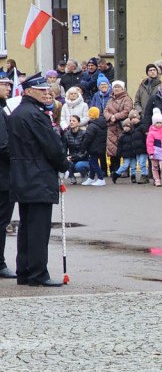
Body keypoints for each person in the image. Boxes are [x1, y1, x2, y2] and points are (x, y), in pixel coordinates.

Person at [7, 73, 69, 287]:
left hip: (24, 176)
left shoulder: (18, 113)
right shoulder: (35, 114)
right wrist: (64, 163)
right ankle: (37, 273)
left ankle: (25, 271)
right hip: (38, 176)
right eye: (41, 90)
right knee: (37, 229)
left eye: (47, 89)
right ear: (28, 91)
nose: (46, 92)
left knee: (27, 227)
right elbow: (51, 145)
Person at [0, 83, 15, 279]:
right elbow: (3, 145)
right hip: (3, 177)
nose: (8, 89)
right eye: (4, 85)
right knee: (2, 221)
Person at [104, 80, 133, 182]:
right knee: (112, 150)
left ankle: (125, 170)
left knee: (124, 149)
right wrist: (110, 117)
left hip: (122, 127)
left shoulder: (127, 99)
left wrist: (115, 116)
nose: (116, 88)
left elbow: (127, 111)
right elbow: (105, 110)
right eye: (115, 87)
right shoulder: (110, 100)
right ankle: (114, 170)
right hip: (112, 128)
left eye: (118, 87)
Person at [113, 110, 148, 183]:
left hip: (143, 149)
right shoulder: (133, 130)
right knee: (137, 163)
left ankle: (144, 175)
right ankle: (141, 176)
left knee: (141, 163)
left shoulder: (142, 127)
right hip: (135, 151)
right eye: (131, 119)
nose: (133, 120)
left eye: (134, 118)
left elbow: (146, 137)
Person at [62, 114, 91, 184]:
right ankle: (72, 178)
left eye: (74, 121)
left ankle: (84, 176)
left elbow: (86, 151)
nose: (71, 122)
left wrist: (74, 158)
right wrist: (66, 157)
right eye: (70, 121)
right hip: (72, 158)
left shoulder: (84, 134)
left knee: (79, 165)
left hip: (84, 160)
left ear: (78, 123)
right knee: (65, 162)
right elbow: (64, 148)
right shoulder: (66, 134)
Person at [146, 108, 162, 186]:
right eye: (157, 123)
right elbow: (149, 144)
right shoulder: (151, 133)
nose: (159, 124)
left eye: (160, 122)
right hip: (155, 152)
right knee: (155, 167)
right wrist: (151, 153)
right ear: (153, 123)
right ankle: (156, 179)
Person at [83, 107, 108, 186]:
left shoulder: (92, 126)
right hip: (100, 146)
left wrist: (83, 147)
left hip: (93, 147)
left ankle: (101, 178)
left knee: (94, 163)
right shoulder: (102, 124)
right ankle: (91, 177)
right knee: (92, 162)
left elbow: (87, 138)